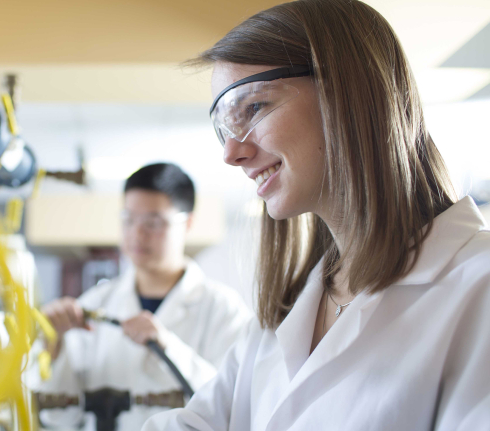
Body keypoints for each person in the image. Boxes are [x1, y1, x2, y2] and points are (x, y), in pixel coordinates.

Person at [142, 1, 490, 430]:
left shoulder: (477, 287)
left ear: (345, 90)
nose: (231, 153)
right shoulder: (287, 314)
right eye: (224, 127)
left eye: (252, 108)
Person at [28, 163, 252, 431]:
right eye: (129, 219)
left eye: (154, 222)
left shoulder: (224, 310)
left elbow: (236, 407)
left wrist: (167, 347)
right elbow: (59, 419)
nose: (137, 233)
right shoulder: (94, 304)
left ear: (188, 223)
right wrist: (55, 347)